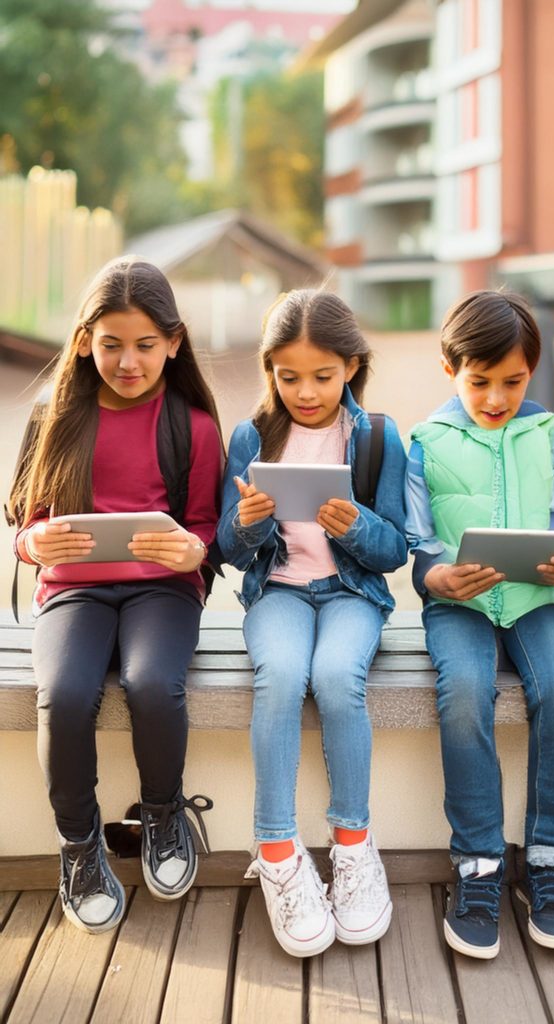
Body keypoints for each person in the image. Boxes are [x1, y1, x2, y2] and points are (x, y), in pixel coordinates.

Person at [6, 257, 222, 933]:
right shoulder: (56, 419)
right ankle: (79, 844)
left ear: (175, 343)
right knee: (65, 695)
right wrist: (32, 546)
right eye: (110, 345)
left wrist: (196, 549)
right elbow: (23, 518)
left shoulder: (194, 426)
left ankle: (161, 813)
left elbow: (207, 529)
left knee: (152, 682)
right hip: (74, 595)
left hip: (163, 592)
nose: (128, 362)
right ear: (82, 342)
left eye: (146, 346)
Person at [216, 290, 407, 958]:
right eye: (287, 376)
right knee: (281, 674)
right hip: (280, 592)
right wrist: (249, 523)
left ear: (351, 365)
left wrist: (357, 525)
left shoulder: (376, 437)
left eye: (322, 376)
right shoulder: (249, 437)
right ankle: (276, 850)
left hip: (351, 592)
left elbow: (395, 553)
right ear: (269, 369)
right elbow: (228, 550)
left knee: (335, 675)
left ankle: (352, 844)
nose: (305, 391)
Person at [406, 290, 554, 960]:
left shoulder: (550, 433)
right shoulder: (425, 441)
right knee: (463, 695)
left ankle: (546, 861)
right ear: (449, 367)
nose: (495, 398)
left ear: (532, 371)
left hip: (539, 599)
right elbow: (416, 542)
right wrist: (436, 577)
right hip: (459, 602)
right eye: (479, 381)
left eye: (512, 382)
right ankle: (479, 864)